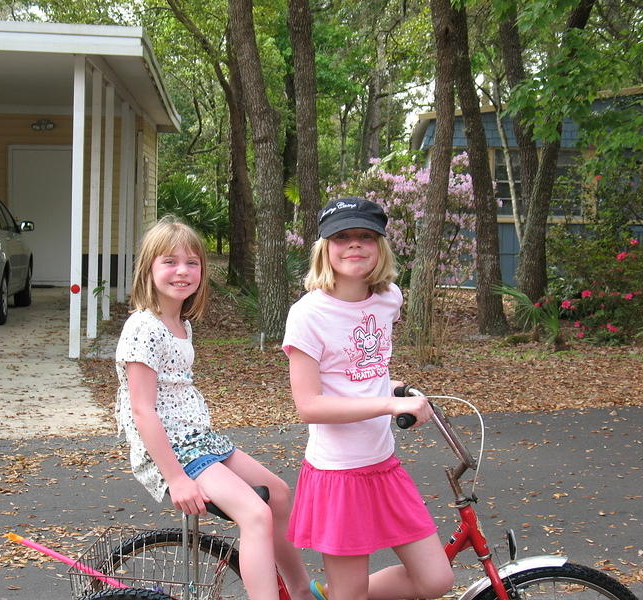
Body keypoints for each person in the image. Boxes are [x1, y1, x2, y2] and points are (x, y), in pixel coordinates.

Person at [115, 216, 311, 600]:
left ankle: (301, 591)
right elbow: (142, 411)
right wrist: (175, 478)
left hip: (198, 440)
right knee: (255, 514)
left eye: (192, 262)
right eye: (169, 261)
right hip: (173, 451)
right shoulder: (144, 327)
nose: (182, 271)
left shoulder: (180, 323)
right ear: (149, 268)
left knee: (280, 493)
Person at [282, 197, 455, 600]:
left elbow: (368, 368)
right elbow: (308, 405)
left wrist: (395, 391)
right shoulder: (308, 314)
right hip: (337, 474)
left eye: (365, 236)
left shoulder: (389, 298)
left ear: (381, 247)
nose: (354, 245)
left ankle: (329, 597)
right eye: (342, 237)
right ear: (325, 248)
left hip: (383, 465)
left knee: (436, 580)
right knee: (351, 594)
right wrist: (389, 405)